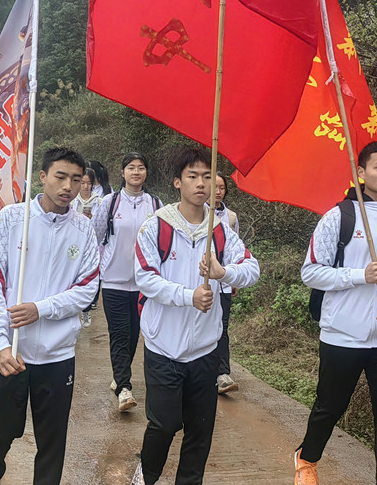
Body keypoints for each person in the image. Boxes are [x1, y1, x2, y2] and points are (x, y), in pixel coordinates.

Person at [294, 141, 377, 485]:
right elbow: (311, 272)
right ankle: (307, 459)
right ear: (361, 172)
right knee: (330, 407)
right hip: (343, 335)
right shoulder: (338, 217)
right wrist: (359, 275)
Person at [132, 147, 259, 485]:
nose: (202, 184)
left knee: (200, 430)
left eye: (207, 176)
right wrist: (189, 296)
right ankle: (145, 475)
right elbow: (146, 278)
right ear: (177, 182)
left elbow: (251, 268)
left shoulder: (220, 230)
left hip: (205, 349)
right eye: (193, 176)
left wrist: (223, 273)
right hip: (163, 347)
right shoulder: (156, 227)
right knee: (164, 424)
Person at [0, 147, 99, 485]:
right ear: (42, 176)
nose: (68, 186)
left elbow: (87, 289)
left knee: (52, 443)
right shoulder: (12, 219)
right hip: (12, 354)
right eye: (60, 177)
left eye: (76, 179)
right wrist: (0, 345)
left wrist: (41, 308)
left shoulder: (83, 230)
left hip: (57, 356)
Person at [92, 152, 162, 412]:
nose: (136, 172)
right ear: (122, 173)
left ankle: (119, 372)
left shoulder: (155, 205)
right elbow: (95, 235)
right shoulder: (109, 203)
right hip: (114, 280)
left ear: (146, 173)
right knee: (120, 333)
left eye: (141, 168)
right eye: (131, 168)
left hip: (144, 282)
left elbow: (161, 239)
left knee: (134, 334)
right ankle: (124, 387)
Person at [212, 171, 241, 395]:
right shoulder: (198, 214)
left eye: (222, 188)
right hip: (202, 281)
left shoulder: (230, 217)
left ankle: (222, 373)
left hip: (224, 281)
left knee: (222, 327)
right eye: (215, 187)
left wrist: (234, 276)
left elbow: (237, 248)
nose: (218, 191)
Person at [72, 167, 102, 328]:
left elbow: (102, 225)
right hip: (74, 244)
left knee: (88, 277)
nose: (85, 186)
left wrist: (91, 219)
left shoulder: (99, 202)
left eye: (88, 183)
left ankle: (86, 309)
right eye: (82, 183)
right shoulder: (73, 201)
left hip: (92, 244)